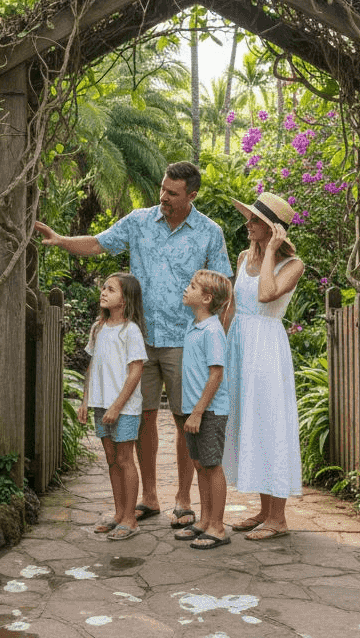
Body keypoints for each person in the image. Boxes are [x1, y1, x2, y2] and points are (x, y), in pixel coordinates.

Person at [34, 161, 232, 528]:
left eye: (172, 193)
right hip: (140, 341)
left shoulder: (209, 231)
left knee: (184, 419)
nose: (163, 198)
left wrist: (217, 339)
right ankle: (150, 496)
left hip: (184, 343)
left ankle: (183, 499)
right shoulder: (140, 220)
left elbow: (225, 290)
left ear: (191, 195)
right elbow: (98, 243)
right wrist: (61, 241)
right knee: (142, 419)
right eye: (162, 189)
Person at [222, 192, 306, 540]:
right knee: (248, 422)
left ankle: (279, 519)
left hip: (267, 349)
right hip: (239, 346)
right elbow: (231, 308)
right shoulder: (243, 257)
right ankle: (263, 510)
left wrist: (271, 251)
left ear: (272, 230)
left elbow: (266, 294)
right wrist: (220, 349)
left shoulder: (293, 265)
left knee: (270, 423)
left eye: (255, 220)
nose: (247, 224)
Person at [79, 273, 149, 541]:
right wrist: (87, 400)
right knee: (111, 460)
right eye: (103, 288)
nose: (103, 292)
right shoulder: (98, 328)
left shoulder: (130, 331)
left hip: (124, 407)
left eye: (111, 289)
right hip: (101, 405)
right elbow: (92, 366)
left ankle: (131, 519)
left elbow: (136, 371)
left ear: (125, 299)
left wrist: (117, 406)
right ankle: (119, 514)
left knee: (124, 459)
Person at [172, 269, 232, 549]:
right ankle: (205, 520)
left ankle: (218, 527)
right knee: (199, 464)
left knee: (211, 465)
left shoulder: (212, 330)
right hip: (193, 409)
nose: (187, 288)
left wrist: (198, 412)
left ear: (206, 298)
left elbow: (216, 374)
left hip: (208, 411)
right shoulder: (193, 325)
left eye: (193, 286)